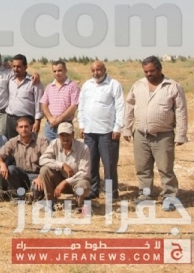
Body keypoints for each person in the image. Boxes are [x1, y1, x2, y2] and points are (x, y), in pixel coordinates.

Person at [122, 56, 188, 210]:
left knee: (165, 168)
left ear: (159, 69)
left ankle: (169, 196)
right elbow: (130, 106)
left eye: (151, 71)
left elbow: (181, 111)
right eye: (146, 71)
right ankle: (145, 195)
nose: (148, 74)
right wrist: (127, 128)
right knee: (142, 168)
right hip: (140, 134)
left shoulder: (172, 86)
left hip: (163, 135)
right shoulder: (138, 85)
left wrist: (181, 134)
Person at [78, 60, 125, 201]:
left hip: (107, 132)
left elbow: (120, 107)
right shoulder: (87, 85)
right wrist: (81, 125)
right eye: (93, 70)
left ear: (104, 70)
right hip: (89, 131)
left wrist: (117, 127)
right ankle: (93, 190)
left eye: (98, 70)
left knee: (109, 164)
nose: (96, 73)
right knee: (91, 163)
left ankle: (111, 193)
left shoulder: (114, 85)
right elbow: (81, 106)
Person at [0, 117, 49, 202]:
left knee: (36, 196)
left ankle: (33, 194)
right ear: (17, 129)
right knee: (11, 169)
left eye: (26, 126)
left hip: (36, 175)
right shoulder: (13, 141)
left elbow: (48, 160)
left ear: (31, 127)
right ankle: (17, 197)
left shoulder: (41, 140)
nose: (24, 129)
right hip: (21, 175)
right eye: (21, 127)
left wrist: (41, 177)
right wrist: (2, 164)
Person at [38, 122, 91, 208]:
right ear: (58, 135)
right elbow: (42, 160)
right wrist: (62, 165)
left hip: (76, 181)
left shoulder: (83, 148)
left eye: (68, 135)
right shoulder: (54, 143)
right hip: (59, 178)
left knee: (83, 185)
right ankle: (50, 203)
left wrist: (65, 182)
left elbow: (84, 172)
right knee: (44, 170)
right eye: (62, 135)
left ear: (73, 134)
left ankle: (80, 205)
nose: (65, 138)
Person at [5, 54, 44, 139]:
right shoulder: (10, 80)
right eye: (14, 66)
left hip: (26, 121)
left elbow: (39, 103)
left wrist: (37, 121)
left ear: (25, 67)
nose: (16, 69)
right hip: (10, 119)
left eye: (19, 66)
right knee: (11, 144)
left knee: (27, 144)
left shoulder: (34, 82)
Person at [40, 60, 80, 142]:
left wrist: (59, 119)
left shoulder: (73, 86)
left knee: (65, 148)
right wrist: (50, 118)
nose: (57, 73)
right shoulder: (49, 87)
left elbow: (74, 106)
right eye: (54, 71)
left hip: (65, 125)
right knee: (49, 148)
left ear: (65, 70)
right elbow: (44, 104)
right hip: (50, 126)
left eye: (59, 70)